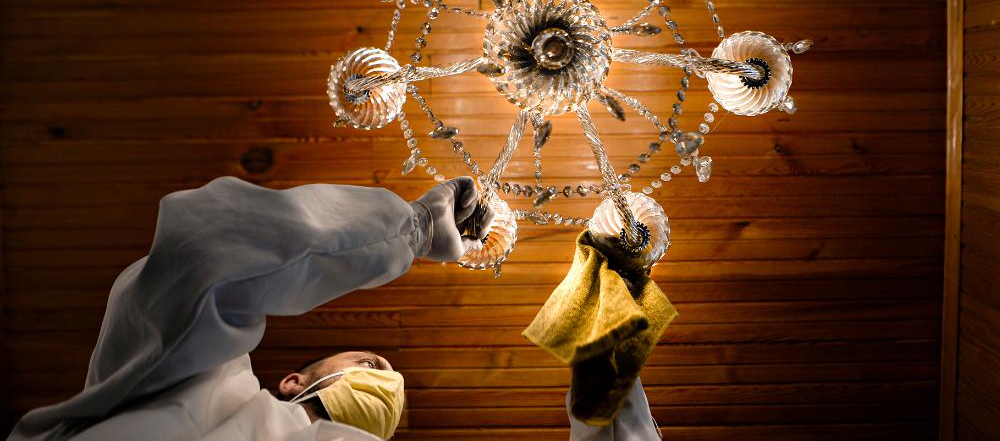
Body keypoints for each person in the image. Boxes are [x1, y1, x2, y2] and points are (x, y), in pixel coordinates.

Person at [9, 175, 660, 440]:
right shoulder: (204, 380)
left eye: (387, 381)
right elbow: (206, 248)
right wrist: (410, 230)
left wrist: (606, 310)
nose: (390, 380)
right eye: (375, 359)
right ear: (293, 380)